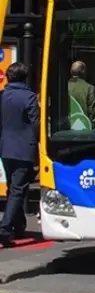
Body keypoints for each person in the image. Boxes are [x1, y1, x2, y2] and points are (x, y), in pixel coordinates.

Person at [0, 63, 39, 247]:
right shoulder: (29, 97)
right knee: (17, 190)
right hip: (23, 148)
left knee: (13, 187)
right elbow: (36, 123)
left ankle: (18, 225)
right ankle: (5, 229)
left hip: (5, 148)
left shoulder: (3, 96)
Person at [67, 60, 95, 130]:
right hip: (85, 131)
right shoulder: (90, 88)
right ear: (83, 71)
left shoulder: (63, 87)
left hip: (67, 130)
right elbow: (93, 114)